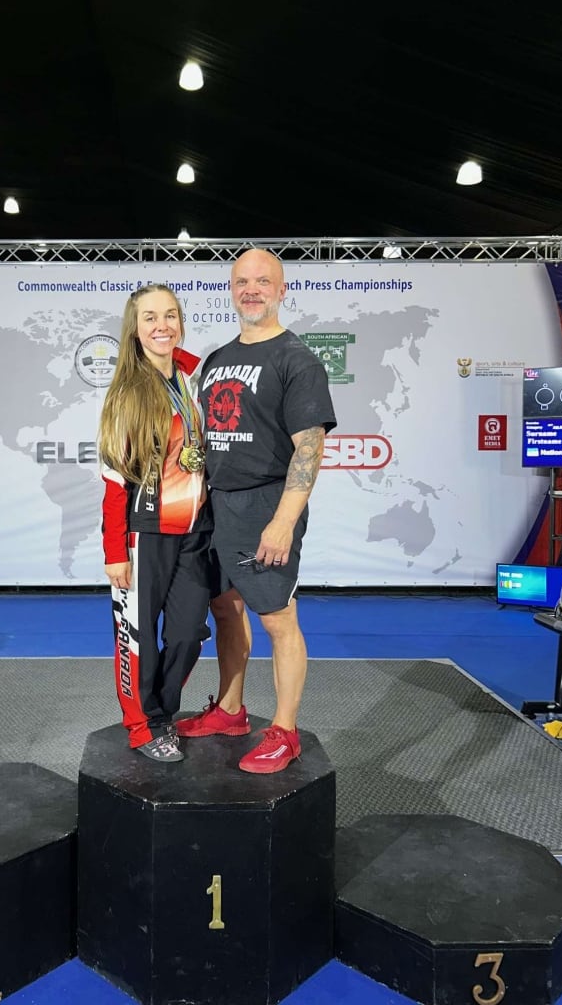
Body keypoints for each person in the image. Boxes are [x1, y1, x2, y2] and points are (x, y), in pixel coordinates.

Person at [176, 249, 336, 773]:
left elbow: (308, 450)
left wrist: (283, 520)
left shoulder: (298, 360)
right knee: (225, 608)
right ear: (231, 288)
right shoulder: (217, 359)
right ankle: (229, 711)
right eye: (242, 281)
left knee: (278, 619)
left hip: (265, 506)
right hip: (215, 506)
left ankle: (284, 731)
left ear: (282, 289)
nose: (251, 289)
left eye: (262, 281)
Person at [99, 284, 212, 762]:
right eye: (150, 317)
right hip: (144, 533)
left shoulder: (189, 378)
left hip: (194, 534)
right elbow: (111, 481)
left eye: (170, 315)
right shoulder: (129, 392)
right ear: (135, 328)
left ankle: (164, 711)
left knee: (188, 634)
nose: (162, 325)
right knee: (138, 638)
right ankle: (142, 727)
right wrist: (114, 552)